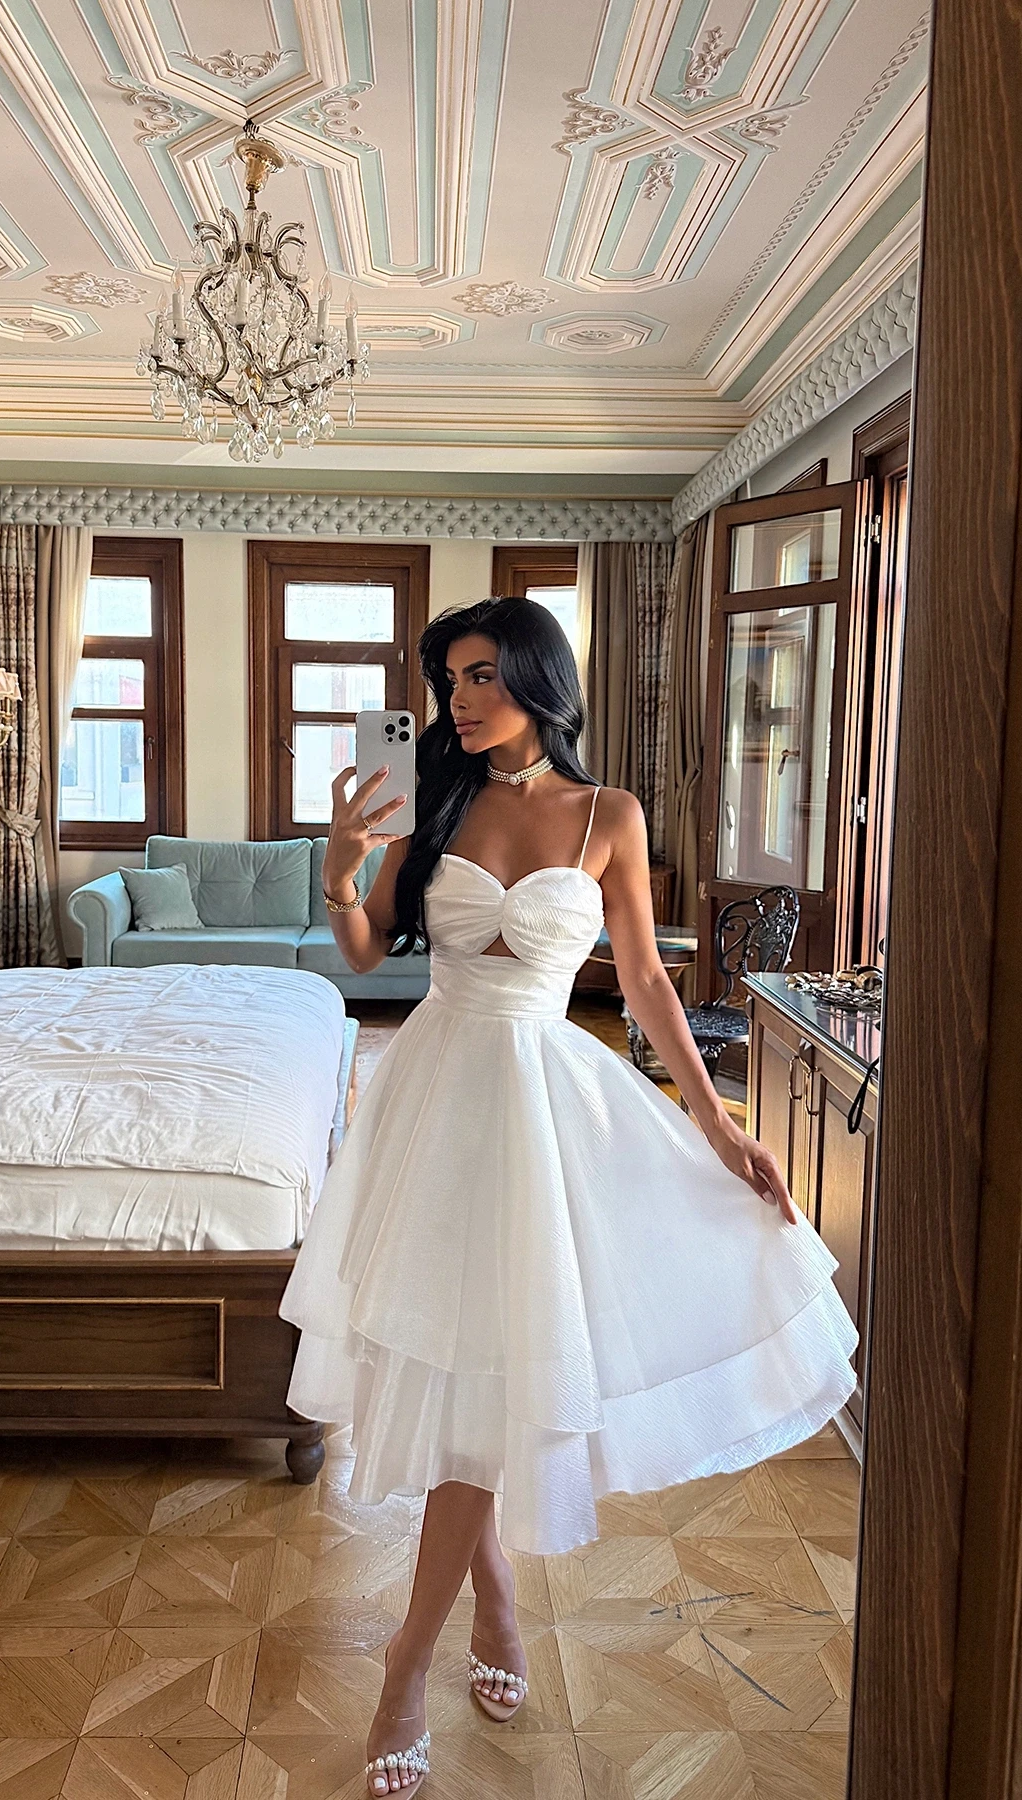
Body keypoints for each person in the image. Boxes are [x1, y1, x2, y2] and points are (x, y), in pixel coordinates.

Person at [278, 598, 858, 1796]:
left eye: (483, 675)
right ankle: (489, 1605)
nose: (459, 700)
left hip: (544, 1109)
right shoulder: (432, 800)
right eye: (449, 680)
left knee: (496, 1369)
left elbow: (643, 978)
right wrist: (340, 872)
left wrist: (718, 1125)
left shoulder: (611, 816)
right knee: (464, 1371)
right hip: (436, 1107)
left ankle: (409, 1656)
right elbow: (363, 951)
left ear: (540, 679)